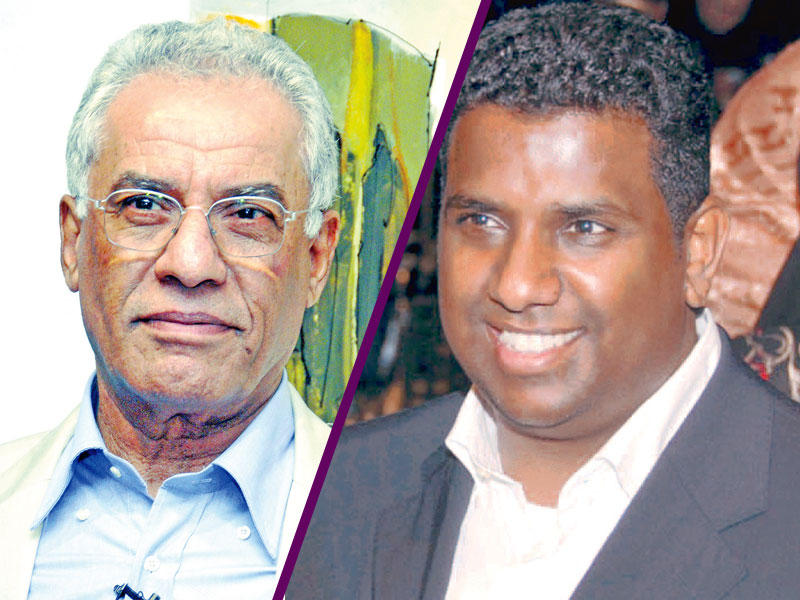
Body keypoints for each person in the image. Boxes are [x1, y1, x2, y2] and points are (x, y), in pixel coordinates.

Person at [288, 3, 800, 598]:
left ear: (701, 253)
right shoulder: (325, 494)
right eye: (481, 221)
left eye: (584, 228)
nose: (517, 284)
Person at [0, 19, 340, 600]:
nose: (190, 263)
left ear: (316, 259)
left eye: (248, 214)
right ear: (73, 242)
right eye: (144, 204)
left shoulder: (402, 536)